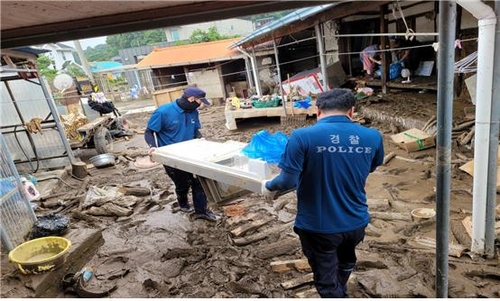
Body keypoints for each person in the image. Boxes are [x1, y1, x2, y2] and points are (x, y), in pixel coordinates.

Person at [261, 88, 384, 297]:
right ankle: (341, 286)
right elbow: (371, 167)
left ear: (318, 111)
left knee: (325, 281)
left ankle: (336, 292)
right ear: (351, 112)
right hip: (356, 220)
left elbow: (286, 180)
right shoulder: (373, 136)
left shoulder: (302, 137)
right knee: (346, 258)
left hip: (319, 227)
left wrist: (268, 186)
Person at [144, 87, 218, 222]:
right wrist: (153, 147)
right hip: (171, 157)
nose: (200, 105)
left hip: (192, 154)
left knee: (199, 182)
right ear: (191, 99)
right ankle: (183, 202)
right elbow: (149, 132)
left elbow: (195, 130)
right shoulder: (163, 112)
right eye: (199, 102)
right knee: (183, 184)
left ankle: (201, 211)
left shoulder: (193, 112)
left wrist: (200, 139)